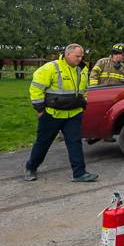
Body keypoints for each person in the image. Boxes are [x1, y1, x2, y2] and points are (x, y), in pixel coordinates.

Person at [25, 43, 98, 182]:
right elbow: (36, 89)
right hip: (52, 114)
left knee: (75, 143)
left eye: (82, 56)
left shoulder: (82, 69)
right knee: (43, 143)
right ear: (67, 54)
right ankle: (31, 168)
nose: (80, 59)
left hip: (74, 114)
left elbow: (84, 90)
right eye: (77, 56)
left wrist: (83, 103)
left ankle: (79, 173)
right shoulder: (51, 68)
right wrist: (40, 110)